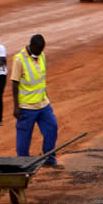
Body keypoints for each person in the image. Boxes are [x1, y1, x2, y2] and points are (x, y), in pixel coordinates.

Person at [11, 34, 62, 169]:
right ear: (32, 46)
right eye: (38, 49)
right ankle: (23, 164)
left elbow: (41, 79)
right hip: (26, 107)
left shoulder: (41, 56)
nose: (40, 52)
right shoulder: (19, 60)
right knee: (24, 138)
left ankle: (49, 159)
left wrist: (46, 96)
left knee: (52, 128)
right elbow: (15, 83)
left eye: (42, 50)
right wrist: (16, 106)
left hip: (43, 104)